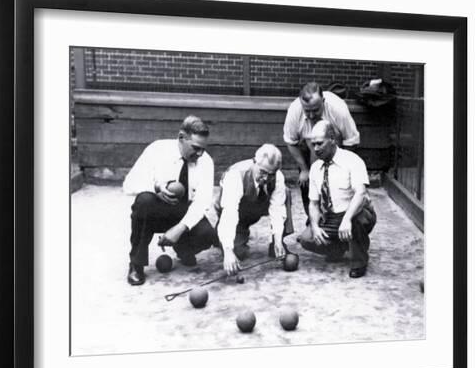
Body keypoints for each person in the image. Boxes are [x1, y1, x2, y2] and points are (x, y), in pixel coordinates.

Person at [122, 115, 217, 285]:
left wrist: (180, 229)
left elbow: (202, 202)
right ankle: (136, 264)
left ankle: (182, 247)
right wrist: (156, 187)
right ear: (181, 137)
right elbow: (129, 184)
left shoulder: (206, 161)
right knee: (144, 201)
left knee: (207, 234)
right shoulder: (157, 149)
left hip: (183, 212)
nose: (200, 153)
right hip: (157, 211)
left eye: (203, 148)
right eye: (195, 148)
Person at [298, 120, 376, 278]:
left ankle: (359, 261)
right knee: (306, 239)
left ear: (332, 139)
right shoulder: (315, 168)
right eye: (313, 144)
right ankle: (341, 247)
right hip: (332, 217)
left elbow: (360, 194)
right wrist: (314, 225)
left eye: (320, 143)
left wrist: (347, 219)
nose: (316, 149)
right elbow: (313, 203)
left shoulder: (352, 160)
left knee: (356, 221)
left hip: (356, 212)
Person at [214, 144, 294, 278]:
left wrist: (278, 239)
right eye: (262, 172)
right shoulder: (235, 175)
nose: (266, 178)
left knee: (285, 193)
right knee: (238, 253)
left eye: (271, 174)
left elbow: (277, 209)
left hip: (258, 205)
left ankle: (276, 245)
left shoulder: (277, 176)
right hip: (237, 211)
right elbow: (230, 213)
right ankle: (221, 236)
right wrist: (228, 251)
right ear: (254, 162)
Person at [283, 82, 361, 218]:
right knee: (307, 181)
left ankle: (339, 216)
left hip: (336, 146)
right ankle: (313, 220)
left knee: (337, 182)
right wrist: (305, 170)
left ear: (323, 101)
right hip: (307, 147)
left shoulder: (338, 109)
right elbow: (291, 142)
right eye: (307, 111)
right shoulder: (294, 111)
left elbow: (351, 141)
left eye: (316, 110)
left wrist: (341, 167)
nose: (312, 115)